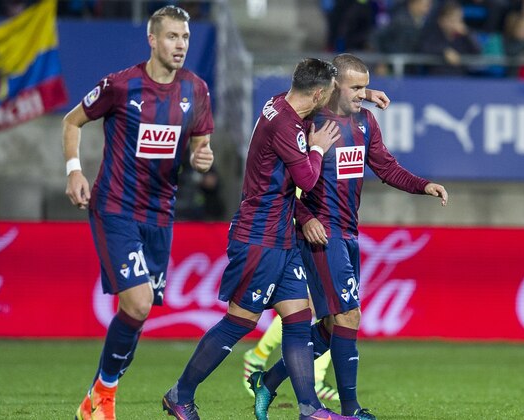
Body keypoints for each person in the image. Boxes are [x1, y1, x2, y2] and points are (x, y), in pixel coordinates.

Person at [249, 53, 448, 420]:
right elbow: (288, 179)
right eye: (355, 87)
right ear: (333, 86)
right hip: (321, 233)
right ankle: (351, 408)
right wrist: (304, 216)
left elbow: (387, 168)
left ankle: (269, 380)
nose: (362, 94)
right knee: (349, 317)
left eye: (364, 86)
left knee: (329, 326)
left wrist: (424, 185)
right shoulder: (310, 122)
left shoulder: (366, 123)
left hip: (350, 231)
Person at [161, 57, 354, 420]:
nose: (328, 101)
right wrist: (318, 149)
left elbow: (314, 120)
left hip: (281, 233)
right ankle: (180, 394)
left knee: (298, 319)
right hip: (259, 235)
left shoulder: (282, 104)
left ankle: (309, 409)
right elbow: (308, 180)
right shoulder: (285, 125)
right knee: (240, 321)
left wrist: (362, 95)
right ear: (316, 93)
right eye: (328, 94)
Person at [63, 6, 214, 420]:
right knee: (139, 304)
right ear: (152, 39)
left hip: (160, 215)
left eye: (184, 37)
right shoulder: (121, 85)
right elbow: (72, 122)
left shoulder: (196, 89)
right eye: (171, 37)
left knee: (137, 314)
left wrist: (202, 156)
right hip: (115, 206)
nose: (180, 44)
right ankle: (104, 397)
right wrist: (74, 171)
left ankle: (94, 398)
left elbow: (200, 143)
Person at [417, 0, 482, 76]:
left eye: (458, 19)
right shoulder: (433, 34)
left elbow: (478, 52)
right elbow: (423, 49)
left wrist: (468, 34)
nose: (455, 23)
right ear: (441, 21)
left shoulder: (464, 36)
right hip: (436, 79)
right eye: (452, 20)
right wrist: (444, 52)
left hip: (460, 79)